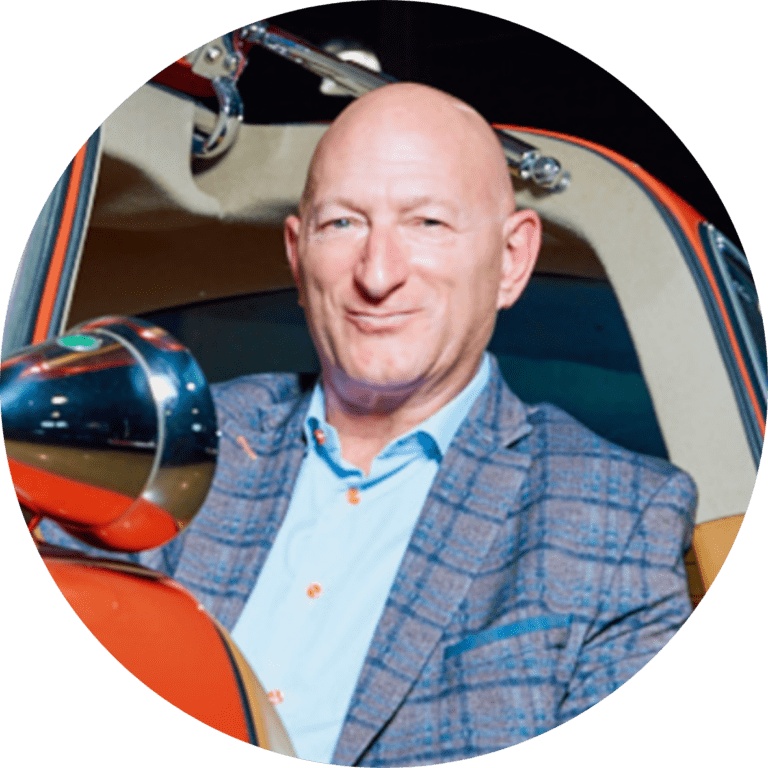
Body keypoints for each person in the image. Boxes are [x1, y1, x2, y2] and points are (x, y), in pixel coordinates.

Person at [46, 83, 697, 766]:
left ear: (511, 260)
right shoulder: (174, 437)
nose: (378, 275)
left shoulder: (622, 516)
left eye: (428, 223)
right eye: (342, 224)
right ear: (297, 253)